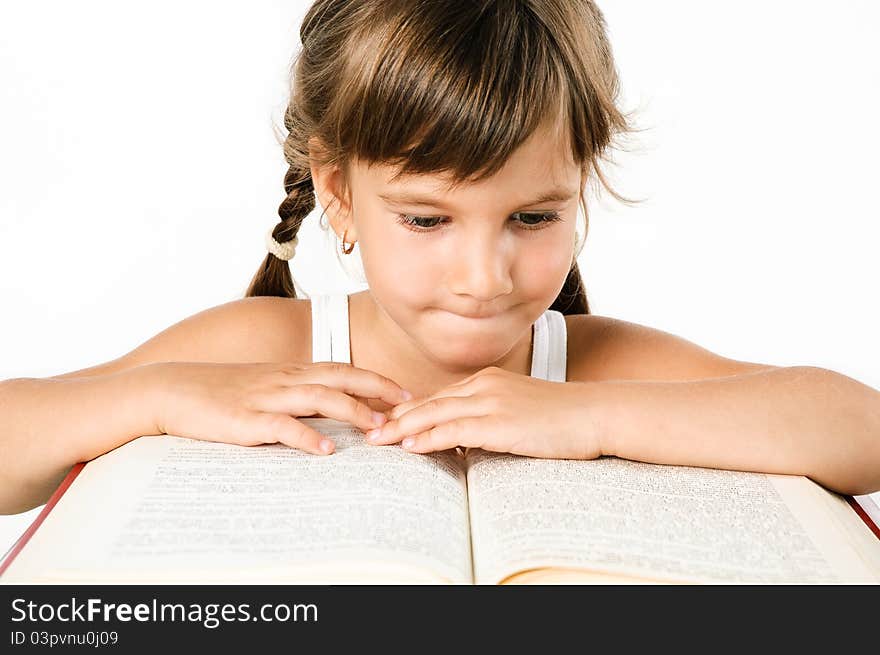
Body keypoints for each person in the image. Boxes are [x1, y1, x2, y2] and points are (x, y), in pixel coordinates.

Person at [1, 0, 878, 517]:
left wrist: (593, 420)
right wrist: (153, 395)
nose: (484, 276)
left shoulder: (597, 367)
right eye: (427, 220)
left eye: (533, 215)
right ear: (338, 192)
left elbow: (860, 429)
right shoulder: (266, 350)